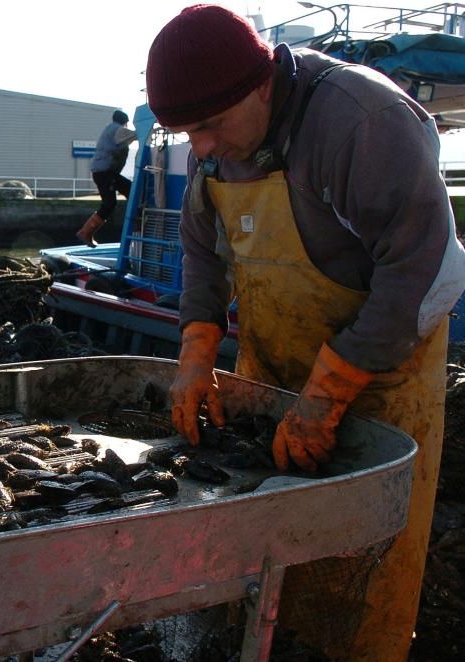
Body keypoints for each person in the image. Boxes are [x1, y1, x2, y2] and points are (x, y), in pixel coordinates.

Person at [146, 4, 465, 660]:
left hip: (383, 380)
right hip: (273, 374)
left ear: (261, 84)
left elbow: (423, 273)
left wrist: (331, 390)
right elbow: (203, 254)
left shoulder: (361, 121)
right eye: (184, 132)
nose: (199, 148)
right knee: (259, 570)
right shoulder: (216, 152)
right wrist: (197, 351)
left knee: (360, 574)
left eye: (209, 126)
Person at [77, 110, 136, 246]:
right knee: (129, 192)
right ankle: (85, 232)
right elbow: (137, 135)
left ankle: (86, 232)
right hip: (105, 172)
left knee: (112, 201)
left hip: (102, 172)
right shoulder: (118, 129)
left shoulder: (110, 129)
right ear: (125, 122)